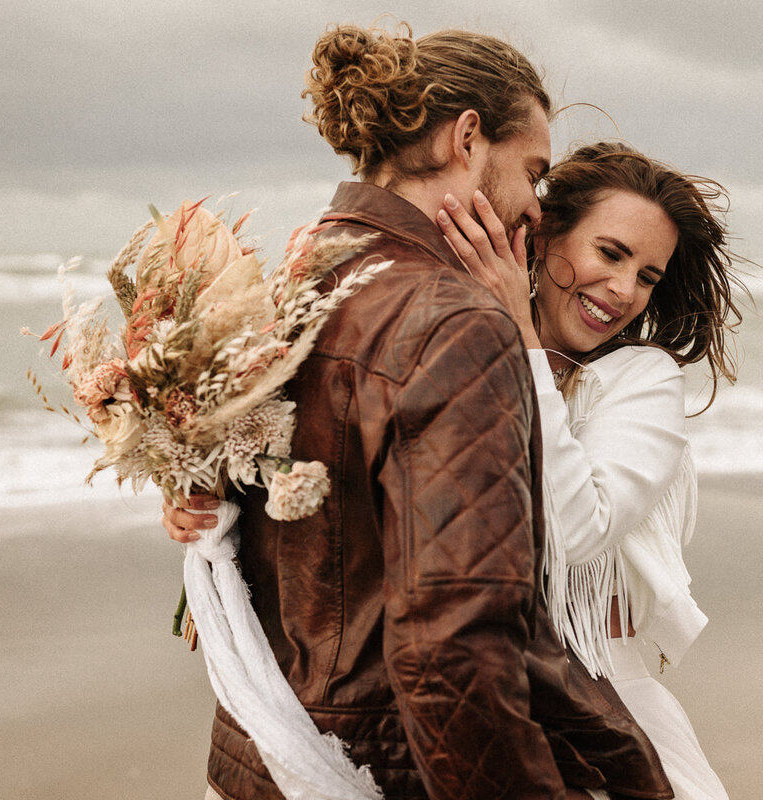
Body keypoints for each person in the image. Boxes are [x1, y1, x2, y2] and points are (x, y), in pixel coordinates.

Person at [162, 25, 673, 800]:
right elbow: (453, 647)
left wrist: (191, 496)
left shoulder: (286, 285)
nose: (535, 205)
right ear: (468, 139)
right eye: (532, 171)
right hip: (379, 765)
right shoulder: (454, 323)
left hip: (258, 754)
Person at [434, 141, 743, 800]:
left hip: (607, 701)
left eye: (649, 276)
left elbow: (579, 529)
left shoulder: (640, 380)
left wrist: (521, 331)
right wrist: (210, 506)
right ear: (542, 241)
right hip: (464, 696)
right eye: (611, 253)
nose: (626, 291)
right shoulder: (453, 348)